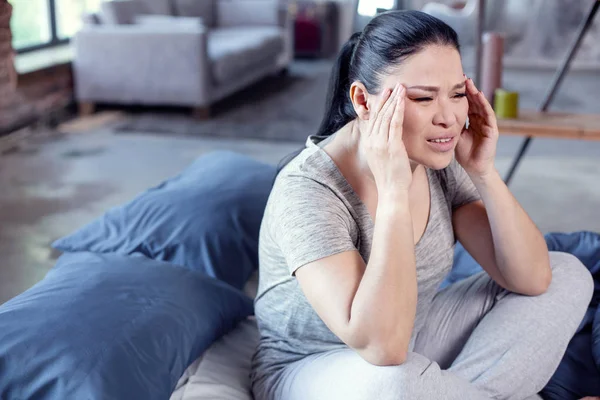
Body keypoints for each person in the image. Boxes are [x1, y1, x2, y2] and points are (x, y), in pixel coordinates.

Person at [250, 10, 594, 400]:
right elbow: (384, 348)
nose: (448, 118)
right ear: (363, 99)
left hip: (412, 342)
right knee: (394, 382)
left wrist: (484, 173)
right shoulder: (308, 190)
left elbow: (531, 279)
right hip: (315, 370)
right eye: (423, 98)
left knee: (567, 273)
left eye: (458, 94)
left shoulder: (435, 159)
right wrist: (394, 190)